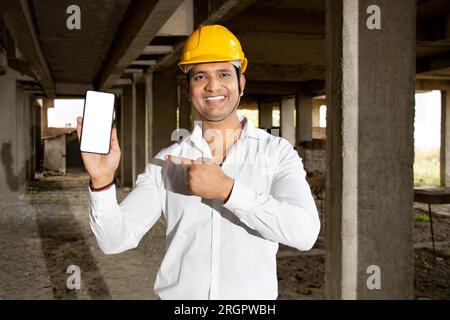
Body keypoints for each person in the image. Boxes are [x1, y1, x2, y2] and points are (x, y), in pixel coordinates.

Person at [76, 24, 320, 300]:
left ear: (241, 83)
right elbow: (114, 240)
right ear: (188, 89)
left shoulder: (276, 153)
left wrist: (228, 191)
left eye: (224, 74)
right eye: (201, 75)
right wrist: (102, 181)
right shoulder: (165, 163)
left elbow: (304, 233)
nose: (213, 86)